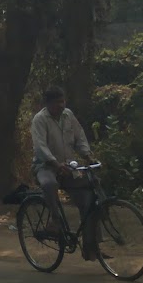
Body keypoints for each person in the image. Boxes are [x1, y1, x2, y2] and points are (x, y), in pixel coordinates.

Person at [30, 85, 97, 259]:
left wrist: (88, 156)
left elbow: (79, 138)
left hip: (67, 167)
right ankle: (55, 221)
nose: (61, 105)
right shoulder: (40, 119)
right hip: (45, 166)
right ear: (48, 103)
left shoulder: (68, 115)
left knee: (88, 200)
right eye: (57, 102)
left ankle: (91, 246)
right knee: (49, 184)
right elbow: (40, 147)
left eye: (63, 101)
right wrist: (54, 163)